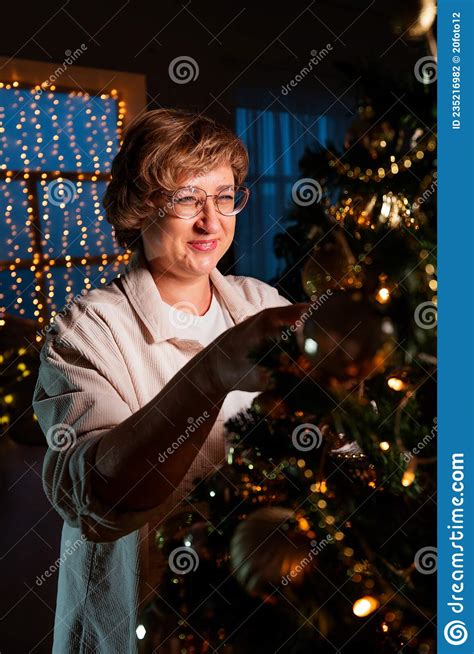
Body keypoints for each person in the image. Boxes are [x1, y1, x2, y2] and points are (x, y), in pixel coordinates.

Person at [32, 108, 309, 653]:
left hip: (256, 611)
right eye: (187, 199)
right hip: (140, 615)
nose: (211, 222)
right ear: (140, 208)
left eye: (224, 196)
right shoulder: (88, 328)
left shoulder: (262, 303)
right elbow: (101, 498)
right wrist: (212, 372)